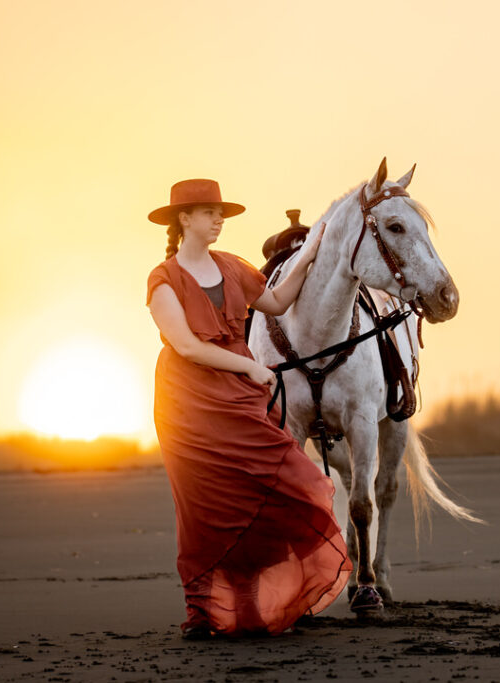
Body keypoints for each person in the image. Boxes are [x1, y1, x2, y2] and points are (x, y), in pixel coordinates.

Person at [145, 178, 351, 639]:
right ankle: (203, 611)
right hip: (189, 404)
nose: (219, 219)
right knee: (205, 508)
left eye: (221, 212)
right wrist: (252, 368)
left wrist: (309, 253)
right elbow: (185, 345)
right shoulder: (164, 278)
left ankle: (258, 605)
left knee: (288, 485)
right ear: (184, 219)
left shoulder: (233, 268)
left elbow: (277, 301)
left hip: (240, 398)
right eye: (209, 212)